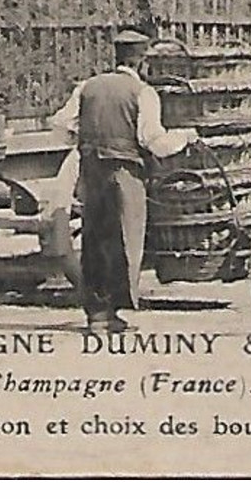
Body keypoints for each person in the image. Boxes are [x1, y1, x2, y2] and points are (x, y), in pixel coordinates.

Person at [50, 29, 196, 333]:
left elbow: (60, 123)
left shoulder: (88, 86)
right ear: (142, 62)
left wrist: (84, 139)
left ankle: (97, 315)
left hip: (91, 173)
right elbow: (152, 140)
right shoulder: (143, 92)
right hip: (124, 173)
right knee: (124, 240)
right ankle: (114, 310)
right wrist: (184, 138)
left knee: (94, 238)